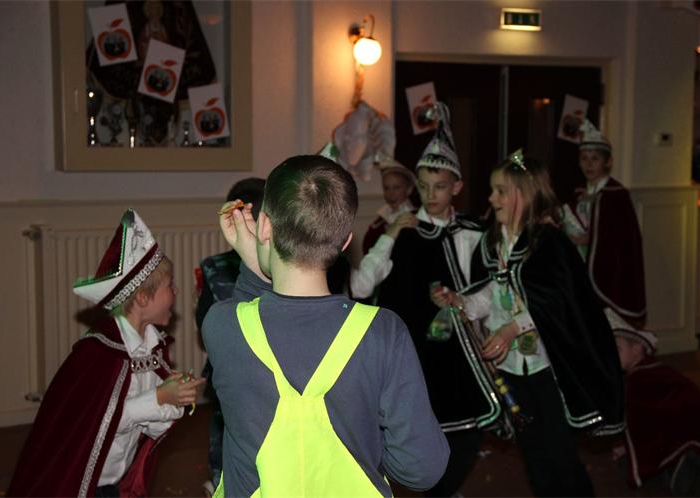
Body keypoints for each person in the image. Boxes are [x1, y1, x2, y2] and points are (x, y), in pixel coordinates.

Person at [202, 155, 449, 497]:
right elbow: (421, 468)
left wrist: (253, 263)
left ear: (264, 227)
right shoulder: (383, 332)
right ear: (346, 241)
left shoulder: (221, 326)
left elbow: (248, 315)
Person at [432, 150, 624, 497]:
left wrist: (511, 328)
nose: (492, 199)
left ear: (525, 193)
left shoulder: (549, 243)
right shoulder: (493, 243)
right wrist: (461, 302)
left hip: (548, 366)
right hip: (511, 368)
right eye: (492, 191)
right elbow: (491, 293)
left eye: (500, 191)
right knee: (532, 450)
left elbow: (557, 303)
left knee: (560, 451)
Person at [351, 103, 496, 497]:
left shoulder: (474, 232)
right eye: (425, 186)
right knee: (421, 434)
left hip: (461, 350)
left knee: (468, 432)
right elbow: (361, 287)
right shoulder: (406, 230)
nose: (431, 195)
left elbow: (490, 290)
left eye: (441, 187)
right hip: (415, 353)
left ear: (457, 188)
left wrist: (462, 302)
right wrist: (391, 234)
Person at [8, 209, 205, 497]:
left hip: (115, 482)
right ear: (142, 298)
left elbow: (149, 427)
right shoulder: (97, 353)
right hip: (82, 484)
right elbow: (95, 421)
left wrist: (175, 396)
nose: (176, 292)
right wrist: (160, 396)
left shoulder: (151, 351)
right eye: (169, 286)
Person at [194, 177, 265, 496]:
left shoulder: (213, 266)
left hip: (229, 369)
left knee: (228, 427)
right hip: (264, 371)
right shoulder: (279, 267)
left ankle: (220, 478)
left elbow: (203, 324)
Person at [608, 308, 700, 494]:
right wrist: (629, 446)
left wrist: (633, 447)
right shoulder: (652, 370)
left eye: (617, 349)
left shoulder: (641, 379)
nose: (611, 356)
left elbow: (646, 419)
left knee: (649, 468)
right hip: (699, 429)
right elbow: (648, 418)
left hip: (688, 432)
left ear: (638, 348)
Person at [561, 119, 647, 327]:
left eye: (595, 159)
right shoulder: (582, 193)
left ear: (608, 162)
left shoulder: (615, 195)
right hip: (582, 266)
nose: (589, 164)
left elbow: (619, 238)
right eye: (584, 159)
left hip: (605, 272)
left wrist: (588, 239)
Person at [362, 162, 416, 254]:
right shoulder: (378, 223)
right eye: (386, 188)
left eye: (396, 187)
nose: (391, 193)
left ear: (408, 190)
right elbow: (367, 248)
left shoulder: (415, 217)